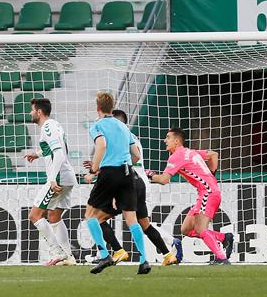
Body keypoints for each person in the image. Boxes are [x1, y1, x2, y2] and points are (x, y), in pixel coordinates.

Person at [90, 110, 179, 266]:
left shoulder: (116, 138)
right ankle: (168, 254)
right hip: (141, 182)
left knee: (97, 218)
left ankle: (116, 251)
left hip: (126, 182)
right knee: (144, 223)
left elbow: (117, 162)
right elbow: (136, 156)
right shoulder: (131, 136)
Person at [83, 91, 150, 275]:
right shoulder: (123, 126)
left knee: (90, 214)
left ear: (98, 107)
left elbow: (102, 145)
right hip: (128, 172)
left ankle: (105, 254)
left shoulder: (97, 125)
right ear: (111, 107)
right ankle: (143, 260)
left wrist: (93, 170)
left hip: (109, 172)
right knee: (131, 218)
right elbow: (136, 155)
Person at [149, 128, 234, 265]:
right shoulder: (190, 152)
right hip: (208, 192)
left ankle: (221, 258)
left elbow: (163, 180)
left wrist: (149, 174)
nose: (165, 140)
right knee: (186, 229)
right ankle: (224, 238)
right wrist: (211, 176)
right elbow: (213, 155)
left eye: (168, 137)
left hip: (208, 193)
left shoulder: (176, 156)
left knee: (201, 229)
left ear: (177, 141)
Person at [22, 98, 77, 266]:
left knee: (34, 215)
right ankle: (68, 256)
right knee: (54, 216)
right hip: (67, 176)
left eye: (32, 110)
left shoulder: (47, 127)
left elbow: (58, 153)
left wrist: (52, 178)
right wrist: (37, 154)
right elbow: (53, 148)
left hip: (58, 177)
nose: (30, 113)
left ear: (39, 112)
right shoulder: (54, 125)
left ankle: (57, 252)